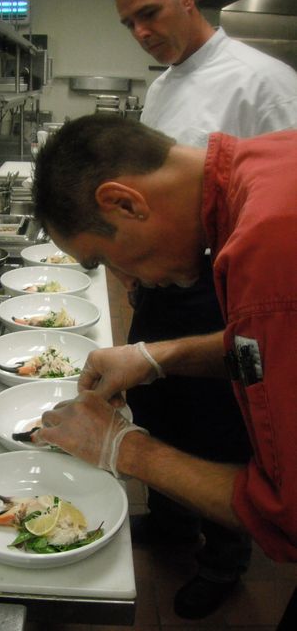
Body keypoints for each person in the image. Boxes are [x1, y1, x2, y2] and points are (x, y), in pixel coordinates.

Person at [30, 113, 297, 613]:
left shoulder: (269, 244)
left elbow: (286, 517)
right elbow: (263, 346)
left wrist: (125, 450)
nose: (125, 279)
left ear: (124, 202)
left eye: (105, 259)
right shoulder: (268, 161)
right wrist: (157, 357)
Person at [110, 0, 297, 617]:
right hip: (166, 275)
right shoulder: (163, 86)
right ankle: (172, 522)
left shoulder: (262, 79)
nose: (140, 32)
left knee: (222, 421)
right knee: (157, 398)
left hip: (232, 278)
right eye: (127, 25)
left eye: (150, 12)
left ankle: (224, 558)